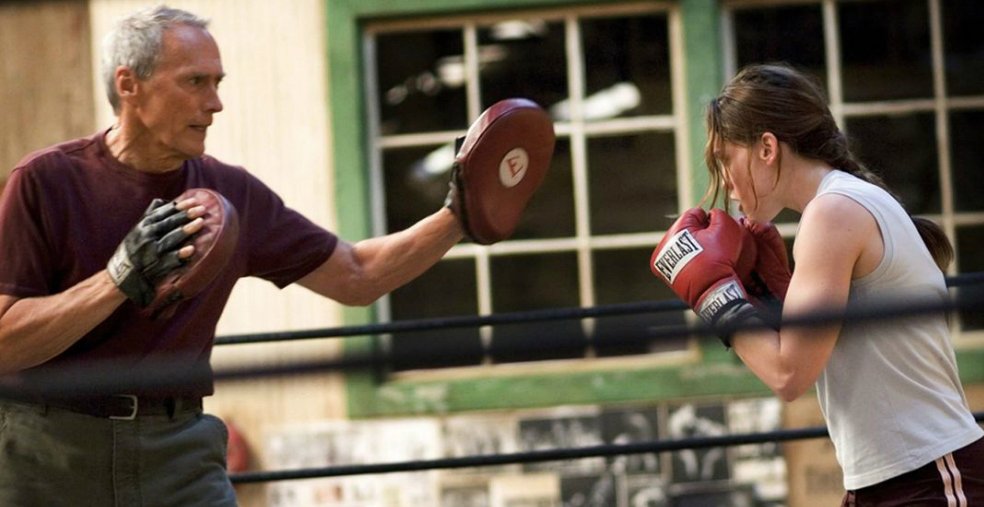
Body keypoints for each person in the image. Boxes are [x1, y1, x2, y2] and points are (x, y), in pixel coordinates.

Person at [0, 6, 470, 506]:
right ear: (129, 84)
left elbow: (357, 275)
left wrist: (459, 218)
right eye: (196, 81)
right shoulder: (46, 182)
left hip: (179, 452)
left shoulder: (233, 195)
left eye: (217, 82)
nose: (216, 103)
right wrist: (118, 277)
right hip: (48, 452)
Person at [652, 63, 983, 505]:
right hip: (884, 481)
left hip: (929, 475)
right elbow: (818, 357)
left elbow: (788, 374)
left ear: (767, 147)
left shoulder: (833, 212)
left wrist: (717, 298)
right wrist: (773, 299)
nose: (726, 184)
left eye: (725, 159)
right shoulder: (844, 203)